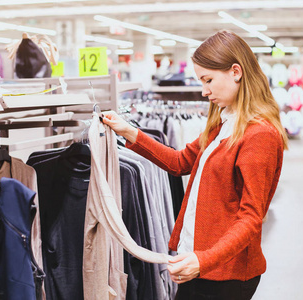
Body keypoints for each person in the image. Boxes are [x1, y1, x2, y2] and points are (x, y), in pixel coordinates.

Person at [102, 30, 288, 300]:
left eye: (208, 80)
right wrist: (128, 131)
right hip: (201, 263)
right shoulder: (223, 122)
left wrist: (204, 260)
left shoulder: (259, 134)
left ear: (236, 71)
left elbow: (251, 217)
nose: (204, 91)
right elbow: (179, 162)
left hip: (226, 273)